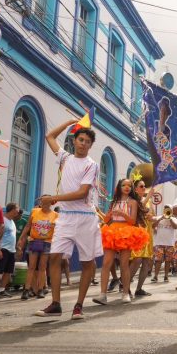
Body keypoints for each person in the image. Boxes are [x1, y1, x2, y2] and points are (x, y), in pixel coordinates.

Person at [35, 120, 103, 320]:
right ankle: (56, 304)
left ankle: (78, 306)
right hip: (65, 217)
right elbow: (49, 137)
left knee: (87, 263)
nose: (83, 143)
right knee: (54, 257)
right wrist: (69, 123)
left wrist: (53, 198)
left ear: (90, 145)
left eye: (87, 141)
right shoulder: (65, 158)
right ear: (74, 141)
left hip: (85, 218)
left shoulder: (92, 165)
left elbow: (82, 193)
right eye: (81, 139)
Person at [93, 179, 149, 305]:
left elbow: (133, 221)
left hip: (127, 232)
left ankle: (125, 293)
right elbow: (107, 220)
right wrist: (102, 213)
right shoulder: (114, 202)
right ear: (119, 187)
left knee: (124, 264)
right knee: (106, 263)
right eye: (124, 185)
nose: (127, 187)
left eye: (129, 185)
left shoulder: (133, 202)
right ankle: (102, 295)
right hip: (112, 231)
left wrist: (122, 213)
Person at [17, 197, 58, 300]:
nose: (43, 204)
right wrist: (21, 238)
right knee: (31, 266)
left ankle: (41, 289)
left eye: (45, 202)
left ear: (50, 203)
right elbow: (28, 226)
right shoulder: (34, 211)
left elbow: (58, 230)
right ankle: (26, 290)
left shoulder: (55, 215)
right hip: (34, 241)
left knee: (42, 267)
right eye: (42, 202)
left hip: (47, 242)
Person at [129, 178, 155, 297]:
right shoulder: (133, 200)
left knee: (146, 261)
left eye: (145, 186)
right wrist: (148, 196)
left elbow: (151, 217)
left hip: (148, 232)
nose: (144, 188)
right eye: (141, 186)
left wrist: (153, 218)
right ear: (135, 189)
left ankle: (139, 289)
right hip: (138, 233)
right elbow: (139, 209)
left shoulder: (148, 201)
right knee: (137, 259)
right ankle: (125, 284)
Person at [0, 202, 20, 298]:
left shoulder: (12, 222)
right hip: (3, 249)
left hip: (11, 250)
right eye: (17, 210)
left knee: (8, 271)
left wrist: (17, 248)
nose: (18, 212)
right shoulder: (3, 220)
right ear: (12, 209)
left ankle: (2, 290)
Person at [152, 204, 177, 282]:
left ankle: (166, 276)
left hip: (169, 243)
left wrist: (169, 219)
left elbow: (176, 227)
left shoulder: (174, 219)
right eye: (165, 209)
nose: (167, 210)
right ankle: (155, 276)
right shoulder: (159, 218)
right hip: (159, 242)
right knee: (158, 260)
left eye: (168, 209)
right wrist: (160, 219)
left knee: (168, 261)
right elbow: (153, 226)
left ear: (171, 210)